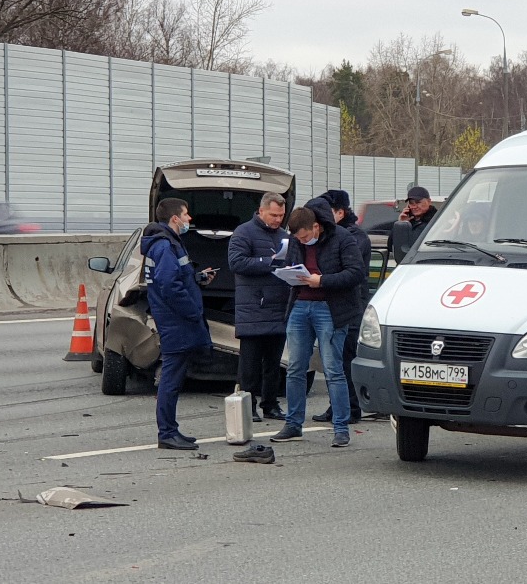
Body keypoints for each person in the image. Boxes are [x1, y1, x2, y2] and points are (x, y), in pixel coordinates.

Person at [270, 204, 366, 448]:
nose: (302, 242)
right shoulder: (296, 241)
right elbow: (293, 263)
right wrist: (290, 274)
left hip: (330, 308)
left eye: (305, 237)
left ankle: (341, 428)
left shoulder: (342, 238)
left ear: (316, 227)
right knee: (294, 368)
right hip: (300, 305)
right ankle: (293, 424)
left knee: (334, 370)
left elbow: (356, 273)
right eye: (298, 239)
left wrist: (322, 280)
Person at [142, 197, 216, 451]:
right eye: (186, 214)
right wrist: (192, 311)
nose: (189, 219)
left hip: (175, 320)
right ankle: (167, 433)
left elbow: (176, 278)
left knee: (174, 377)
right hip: (176, 321)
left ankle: (171, 430)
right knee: (171, 380)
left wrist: (197, 278)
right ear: (175, 218)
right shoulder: (164, 246)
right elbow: (169, 286)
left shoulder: (170, 243)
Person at [227, 192, 290, 423]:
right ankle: (248, 405)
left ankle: (270, 404)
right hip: (253, 308)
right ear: (261, 211)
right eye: (274, 215)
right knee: (250, 365)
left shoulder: (284, 236)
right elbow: (236, 262)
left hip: (278, 307)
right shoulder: (243, 232)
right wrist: (268, 262)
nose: (278, 220)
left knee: (273, 364)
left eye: (281, 215)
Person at [309, 190, 371, 425]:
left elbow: (346, 271)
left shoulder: (353, 237)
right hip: (337, 305)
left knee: (345, 358)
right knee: (336, 359)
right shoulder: (339, 235)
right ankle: (339, 406)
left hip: (351, 306)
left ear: (339, 212)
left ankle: (349, 408)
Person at [396, 185, 438, 251]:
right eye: (411, 203)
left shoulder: (437, 221)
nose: (414, 207)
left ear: (429, 202)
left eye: (418, 202)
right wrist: (401, 224)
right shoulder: (409, 223)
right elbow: (392, 246)